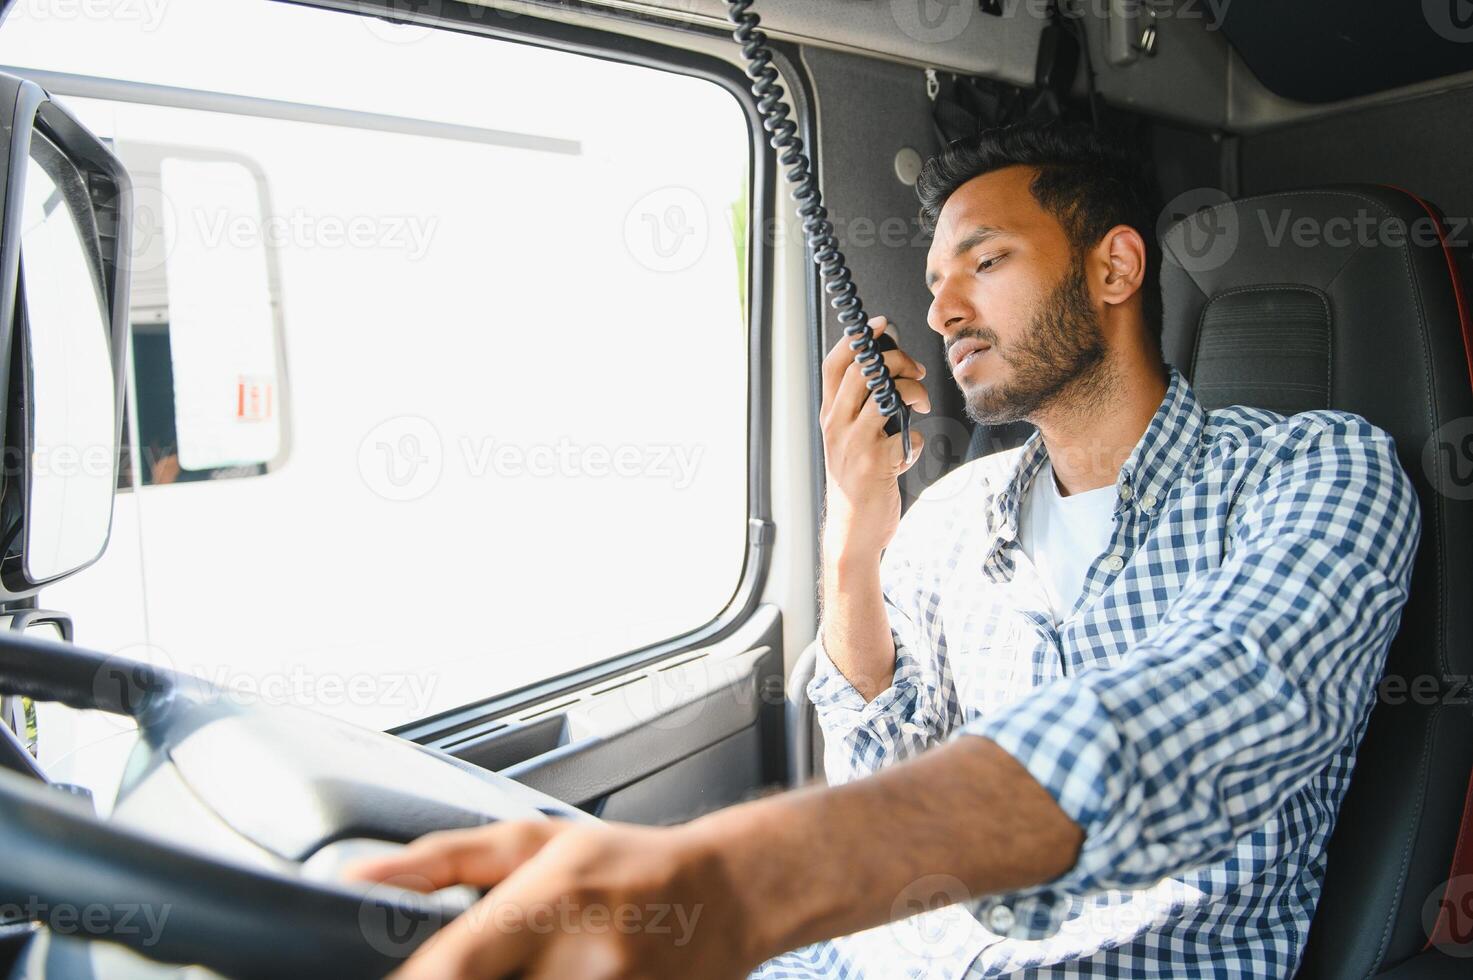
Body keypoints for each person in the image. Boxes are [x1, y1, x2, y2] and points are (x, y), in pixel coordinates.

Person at [345, 124, 1420, 979]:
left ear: (1115, 266)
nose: (942, 308)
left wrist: (746, 879)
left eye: (985, 262)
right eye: (936, 279)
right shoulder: (955, 512)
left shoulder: (1317, 471)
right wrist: (855, 529)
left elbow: (1214, 707)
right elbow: (878, 763)